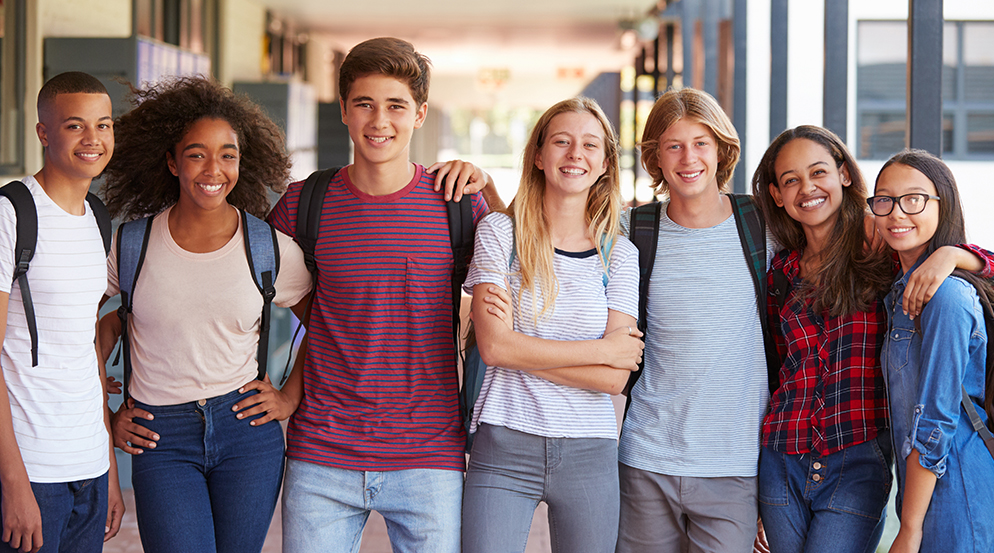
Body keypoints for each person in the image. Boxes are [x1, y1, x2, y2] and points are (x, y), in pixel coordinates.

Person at [266, 37, 493, 553]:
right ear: (343, 110)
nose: (379, 120)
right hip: (321, 452)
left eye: (395, 106)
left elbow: (524, 261)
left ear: (420, 114)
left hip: (429, 453)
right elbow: (251, 291)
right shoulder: (305, 203)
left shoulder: (457, 202)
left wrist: (487, 185)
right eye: (364, 104)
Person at [751, 126, 993, 553]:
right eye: (791, 180)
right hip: (783, 454)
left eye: (818, 171)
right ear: (776, 194)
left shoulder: (882, 244)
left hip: (857, 457)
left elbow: (969, 276)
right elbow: (774, 369)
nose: (807, 188)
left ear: (844, 174)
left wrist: (954, 254)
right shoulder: (780, 272)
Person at [98, 77, 313, 553]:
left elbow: (326, 325)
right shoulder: (131, 245)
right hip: (160, 435)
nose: (213, 169)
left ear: (243, 161)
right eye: (196, 154)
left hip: (246, 433)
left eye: (227, 154)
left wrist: (288, 397)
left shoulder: (268, 248)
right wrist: (106, 414)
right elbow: (86, 327)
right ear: (173, 161)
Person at [461, 96, 642, 553]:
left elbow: (615, 379)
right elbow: (495, 348)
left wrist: (519, 346)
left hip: (590, 451)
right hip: (503, 440)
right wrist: (600, 349)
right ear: (539, 156)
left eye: (588, 145)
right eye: (561, 142)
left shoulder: (619, 255)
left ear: (604, 163)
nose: (574, 154)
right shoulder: (501, 234)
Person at [613, 87, 774, 553]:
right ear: (655, 157)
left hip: (734, 464)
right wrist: (481, 183)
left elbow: (863, 232)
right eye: (674, 145)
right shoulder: (634, 228)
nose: (689, 158)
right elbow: (547, 230)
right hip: (645, 459)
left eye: (701, 143)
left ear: (721, 149)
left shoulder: (762, 225)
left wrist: (957, 256)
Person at [0, 72, 123, 553]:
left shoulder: (99, 219)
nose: (93, 139)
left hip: (89, 467)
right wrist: (13, 483)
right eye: (75, 126)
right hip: (29, 469)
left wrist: (109, 470)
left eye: (104, 124)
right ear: (43, 132)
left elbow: (86, 347)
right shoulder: (11, 215)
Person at [870, 149, 994, 553]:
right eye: (884, 199)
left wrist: (908, 527)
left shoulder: (948, 297)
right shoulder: (898, 290)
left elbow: (935, 419)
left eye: (915, 199)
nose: (897, 213)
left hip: (955, 489)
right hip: (922, 491)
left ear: (944, 202)